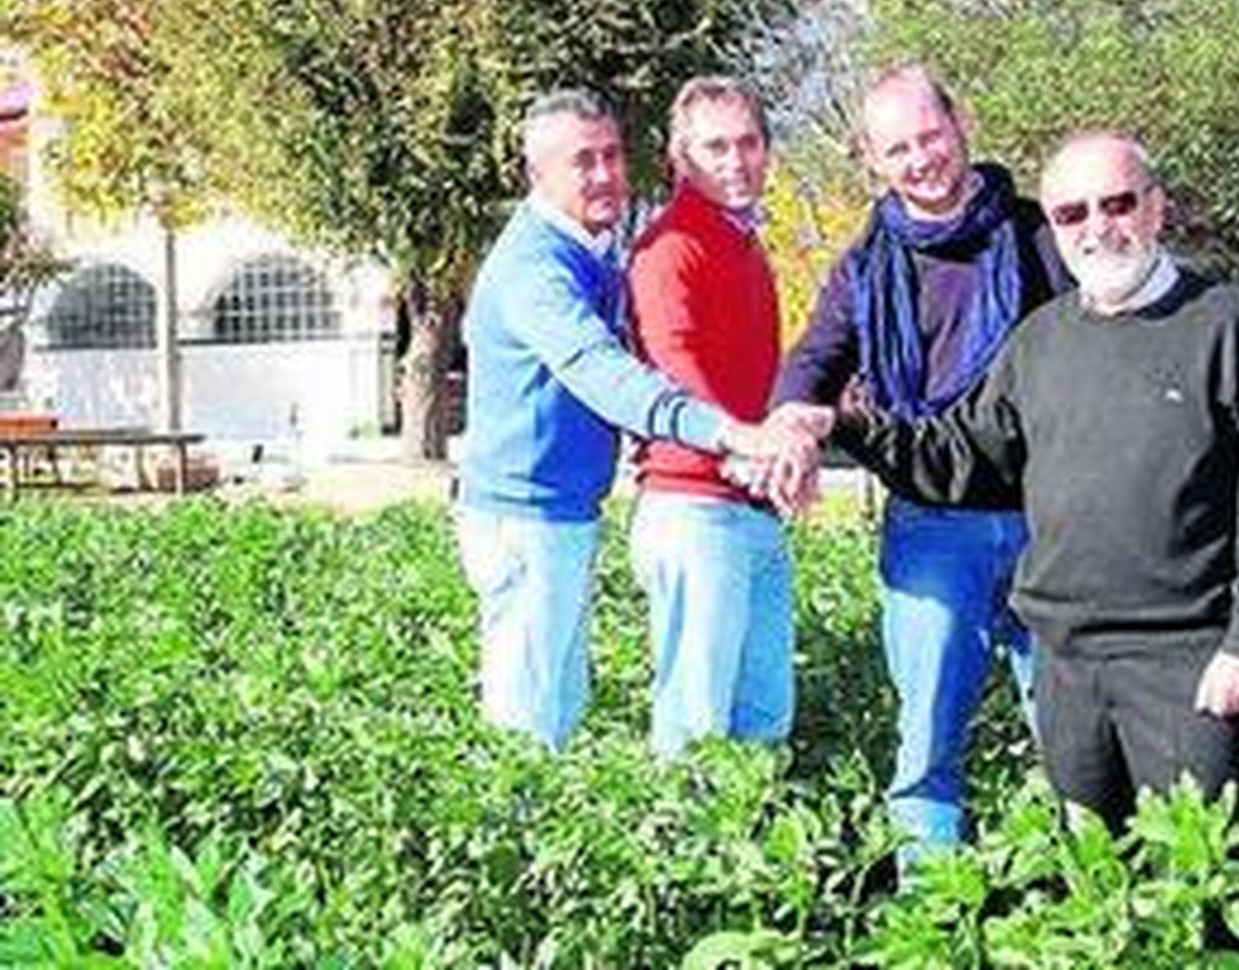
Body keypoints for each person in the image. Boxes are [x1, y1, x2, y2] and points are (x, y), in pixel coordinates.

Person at [799, 131, 1239, 830]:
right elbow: (962, 456)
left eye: (1117, 204)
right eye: (1072, 213)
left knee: (1194, 880)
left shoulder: (1224, 323)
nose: (1096, 228)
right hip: (1065, 664)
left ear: (1156, 207)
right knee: (1091, 876)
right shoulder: (1039, 340)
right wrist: (842, 424)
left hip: (1187, 662)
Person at [771, 65, 1069, 858]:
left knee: (1075, 737)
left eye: (929, 136)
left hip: (1050, 522)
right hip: (931, 528)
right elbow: (812, 362)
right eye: (897, 148)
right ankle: (932, 909)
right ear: (873, 160)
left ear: (960, 122)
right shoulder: (866, 268)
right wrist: (794, 422)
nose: (919, 160)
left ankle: (1087, 896)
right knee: (928, 745)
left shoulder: (1040, 237)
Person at [456, 87, 810, 750]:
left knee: (558, 714)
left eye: (612, 155)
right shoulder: (535, 268)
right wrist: (732, 435)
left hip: (562, 513)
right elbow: (604, 373)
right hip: (523, 518)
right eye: (582, 161)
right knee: (528, 731)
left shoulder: (591, 251)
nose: (604, 174)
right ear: (537, 173)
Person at [625, 76, 794, 757]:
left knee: (764, 720)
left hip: (753, 505)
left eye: (748, 143)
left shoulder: (745, 244)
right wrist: (745, 447)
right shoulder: (670, 247)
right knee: (694, 734)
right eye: (715, 147)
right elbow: (674, 364)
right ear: (679, 157)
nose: (735, 161)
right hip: (695, 507)